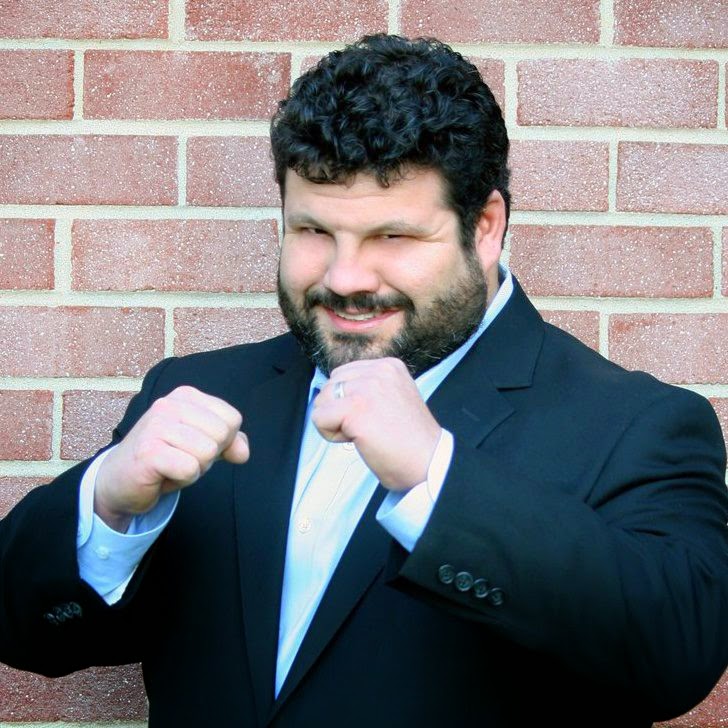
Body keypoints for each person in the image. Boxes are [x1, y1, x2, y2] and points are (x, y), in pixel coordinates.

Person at [1, 34, 727, 728]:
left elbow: (678, 652)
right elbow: (22, 631)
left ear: (485, 226)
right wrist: (106, 504)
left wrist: (437, 479)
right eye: (314, 231)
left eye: (393, 236)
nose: (346, 278)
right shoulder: (201, 392)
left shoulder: (636, 424)